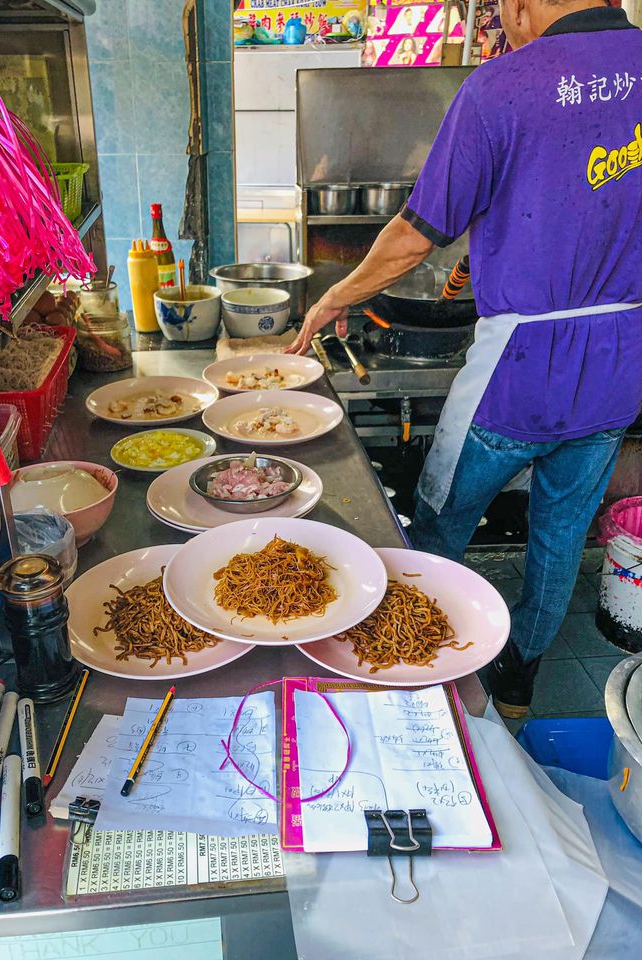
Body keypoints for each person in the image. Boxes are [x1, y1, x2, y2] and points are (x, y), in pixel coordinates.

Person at [287, 0, 642, 717]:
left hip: (518, 374)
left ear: (519, 4)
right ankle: (517, 682)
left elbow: (418, 235)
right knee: (561, 536)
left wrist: (335, 298)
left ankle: (425, 678)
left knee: (438, 523)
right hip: (620, 366)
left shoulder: (502, 86)